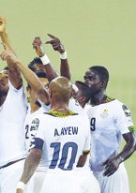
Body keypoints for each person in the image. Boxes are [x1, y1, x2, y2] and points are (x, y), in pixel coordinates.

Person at [16, 76, 91, 193]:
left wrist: (21, 184)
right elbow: (82, 161)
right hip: (72, 185)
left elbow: (35, 153)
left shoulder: (42, 119)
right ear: (71, 95)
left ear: (50, 94)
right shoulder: (83, 121)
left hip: (48, 183)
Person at [84, 65, 136, 193]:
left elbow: (132, 141)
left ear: (102, 83)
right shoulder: (82, 109)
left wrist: (118, 159)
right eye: (85, 79)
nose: (87, 82)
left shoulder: (117, 107)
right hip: (89, 174)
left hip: (111, 172)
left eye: (91, 79)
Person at [0, 14, 28, 193]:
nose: (1, 78)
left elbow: (15, 69)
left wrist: (3, 34)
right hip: (3, 172)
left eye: (5, 77)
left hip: (17, 167)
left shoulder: (17, 98)